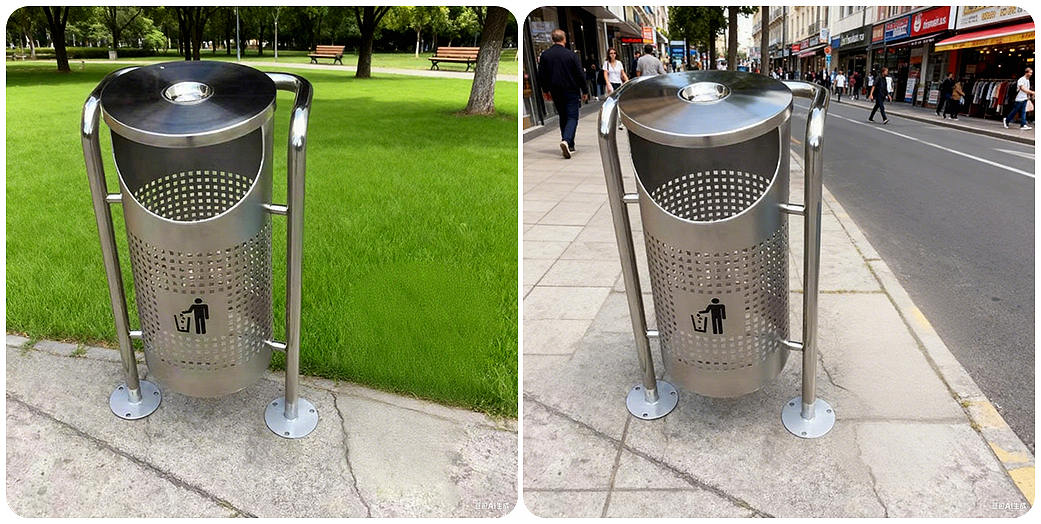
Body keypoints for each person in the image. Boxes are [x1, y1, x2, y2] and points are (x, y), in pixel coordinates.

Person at [537, 29, 588, 159]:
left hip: (555, 90)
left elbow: (542, 75)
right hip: (571, 90)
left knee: (563, 116)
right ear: (564, 39)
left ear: (552, 39)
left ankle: (569, 144)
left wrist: (545, 90)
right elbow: (579, 74)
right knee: (572, 116)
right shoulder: (571, 55)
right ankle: (567, 140)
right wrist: (585, 90)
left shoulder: (545, 55)